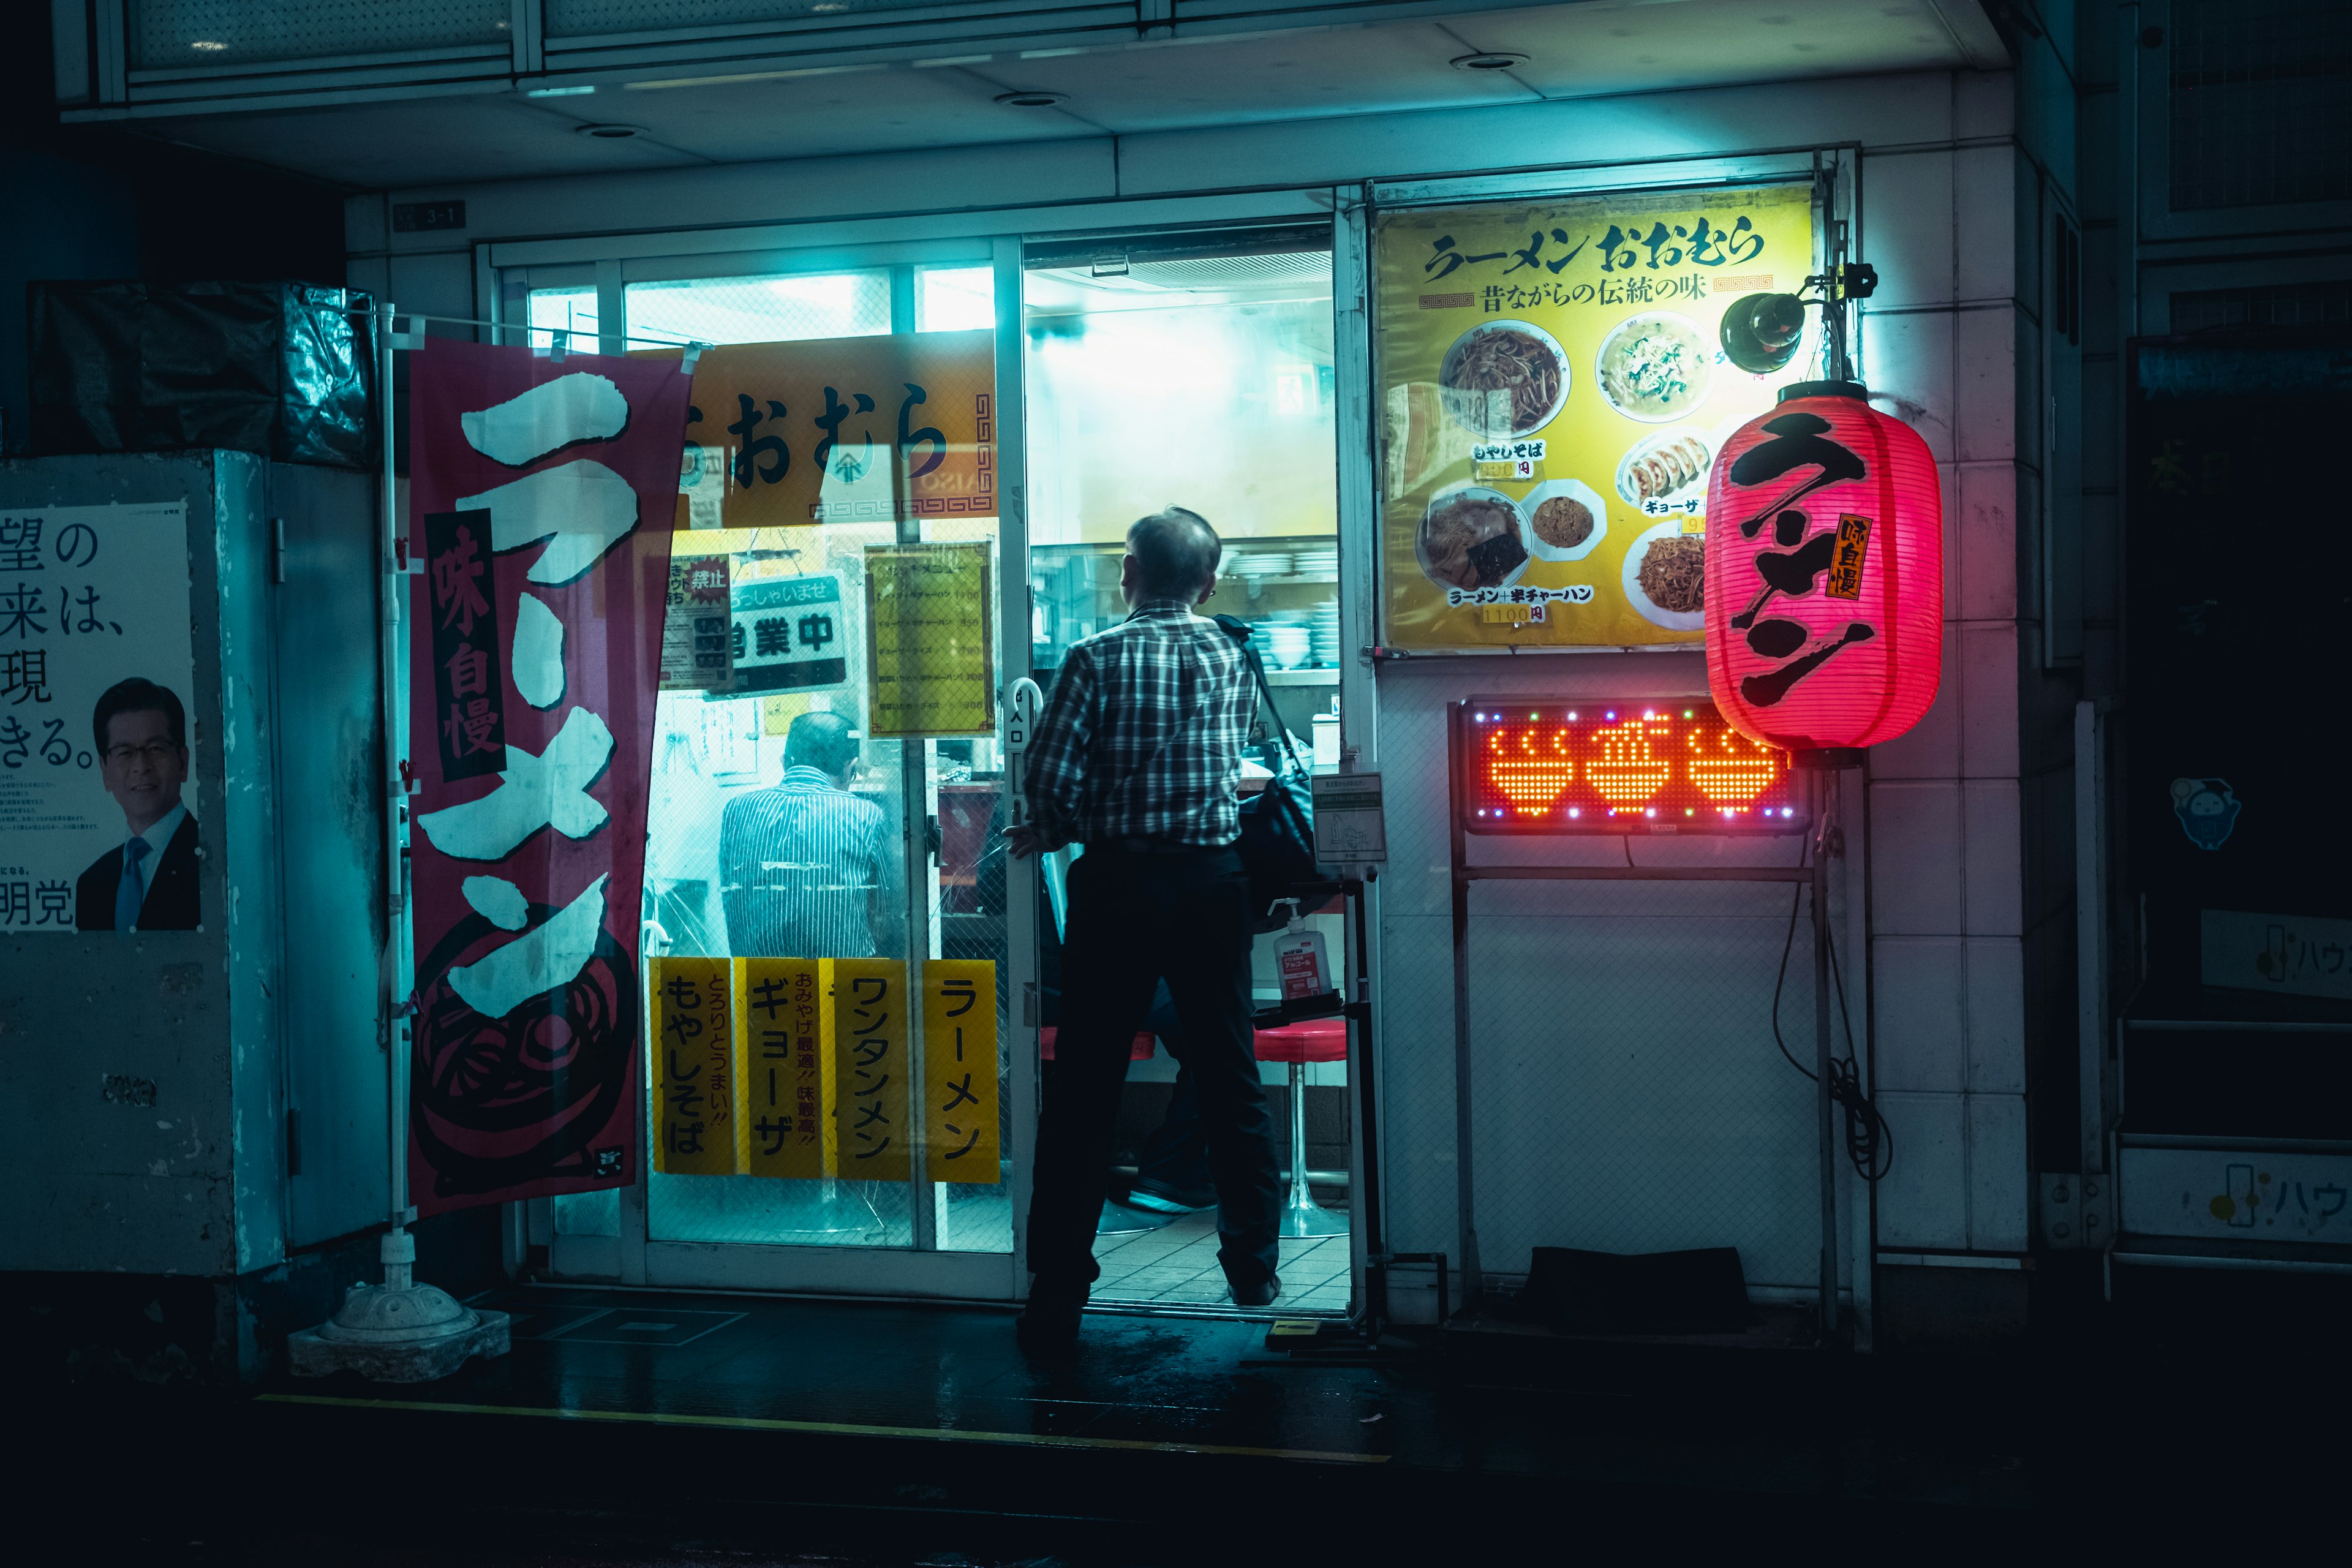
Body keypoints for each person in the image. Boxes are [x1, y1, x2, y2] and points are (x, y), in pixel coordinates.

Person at [1008, 507, 1282, 1351]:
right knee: (1229, 1070)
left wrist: (1061, 821)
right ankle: (1252, 1265)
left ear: (1127, 573)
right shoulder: (1231, 652)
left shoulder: (1092, 657)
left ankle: (1059, 1287)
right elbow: (1232, 763)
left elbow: (1047, 781)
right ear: (1207, 582)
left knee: (1085, 1086)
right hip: (1210, 885)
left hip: (1119, 884)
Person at [718, 710, 900, 959]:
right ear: (849, 769)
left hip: (759, 981)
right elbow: (884, 915)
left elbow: (731, 898)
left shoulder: (737, 810)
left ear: (784, 762)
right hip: (843, 981)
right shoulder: (866, 816)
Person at [75, 677, 200, 932]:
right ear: (105, 771)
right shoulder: (92, 883)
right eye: (124, 752)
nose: (141, 766)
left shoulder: (213, 863)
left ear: (182, 762)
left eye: (155, 749)